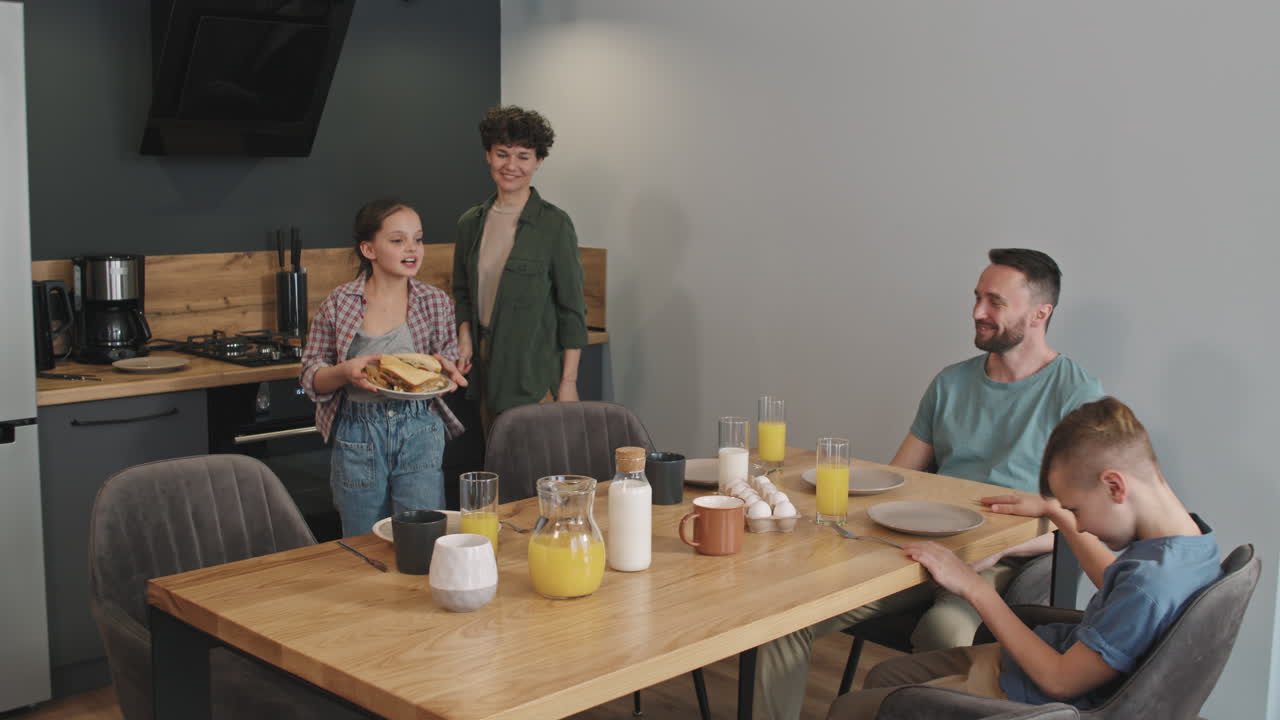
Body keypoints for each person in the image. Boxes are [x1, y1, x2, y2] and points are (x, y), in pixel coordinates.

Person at [755, 248, 1104, 720]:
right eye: (977, 297)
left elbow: (1085, 522)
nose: (978, 312)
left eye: (995, 302)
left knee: (945, 631)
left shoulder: (1076, 395)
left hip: (997, 564)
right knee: (785, 617)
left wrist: (1000, 547)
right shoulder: (951, 383)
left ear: (1041, 313)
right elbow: (899, 481)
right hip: (915, 547)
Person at [829, 397, 1221, 719]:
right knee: (885, 673)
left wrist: (973, 587)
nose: (1082, 526)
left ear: (1114, 486)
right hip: (1030, 669)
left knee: (849, 709)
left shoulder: (1151, 584)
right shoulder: (1190, 547)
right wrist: (1057, 513)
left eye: (1079, 509)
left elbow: (1060, 680)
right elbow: (1120, 588)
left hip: (1032, 699)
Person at [301, 198, 468, 538]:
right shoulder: (340, 303)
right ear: (368, 249)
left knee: (422, 538)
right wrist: (346, 372)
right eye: (397, 240)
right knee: (364, 541)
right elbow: (311, 377)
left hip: (419, 429)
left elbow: (446, 361)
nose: (412, 249)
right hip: (359, 434)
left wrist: (449, 371)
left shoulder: (435, 301)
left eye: (418, 239)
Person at [451, 105, 589, 430]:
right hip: (486, 371)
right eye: (502, 154)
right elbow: (462, 292)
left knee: (542, 472)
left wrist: (568, 383)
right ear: (488, 155)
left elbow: (572, 311)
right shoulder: (470, 223)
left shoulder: (554, 224)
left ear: (538, 161)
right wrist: (466, 338)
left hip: (535, 373)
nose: (511, 166)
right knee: (499, 465)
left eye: (523, 156)